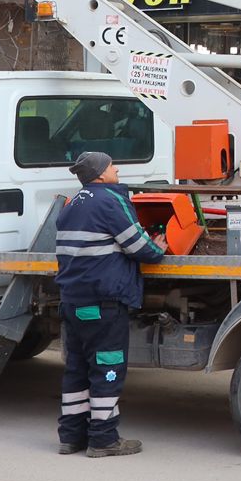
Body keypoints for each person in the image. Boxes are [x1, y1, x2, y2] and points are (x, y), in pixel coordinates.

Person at [55, 150, 167, 458]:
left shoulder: (71, 203)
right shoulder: (109, 199)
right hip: (103, 302)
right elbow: (137, 245)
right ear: (101, 174)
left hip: (73, 301)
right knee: (107, 368)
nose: (117, 170)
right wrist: (157, 249)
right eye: (113, 166)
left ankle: (71, 436)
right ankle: (103, 439)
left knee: (77, 369)